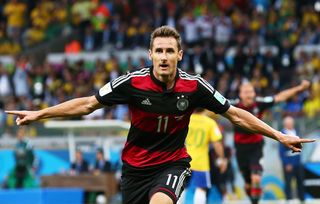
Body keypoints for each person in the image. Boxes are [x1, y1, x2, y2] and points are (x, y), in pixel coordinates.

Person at [5, 26, 314, 204]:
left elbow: (235, 114)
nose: (164, 57)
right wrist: (40, 113)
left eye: (170, 51)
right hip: (134, 170)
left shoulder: (194, 86)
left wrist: (278, 134)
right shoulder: (132, 83)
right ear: (149, 54)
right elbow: (87, 104)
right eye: (159, 51)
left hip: (173, 163)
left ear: (180, 55)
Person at [230, 80, 310, 204]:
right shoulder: (232, 105)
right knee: (248, 185)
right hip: (240, 148)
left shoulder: (259, 103)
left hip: (256, 146)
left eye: (251, 91)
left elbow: (280, 97)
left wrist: (299, 88)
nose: (249, 95)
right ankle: (252, 198)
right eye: (246, 92)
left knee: (256, 178)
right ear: (240, 94)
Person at [179, 108, 227, 204]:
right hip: (201, 163)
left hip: (183, 159)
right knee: (201, 189)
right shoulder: (210, 123)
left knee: (179, 188)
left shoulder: (185, 119)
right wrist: (222, 159)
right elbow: (217, 143)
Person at [279, 116, 305, 203]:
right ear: (285, 124)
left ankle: (302, 198)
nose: (291, 125)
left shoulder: (296, 131)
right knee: (288, 181)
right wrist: (287, 163)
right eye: (289, 123)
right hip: (289, 162)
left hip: (298, 161)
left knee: (300, 180)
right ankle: (289, 199)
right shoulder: (282, 134)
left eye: (291, 123)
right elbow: (281, 151)